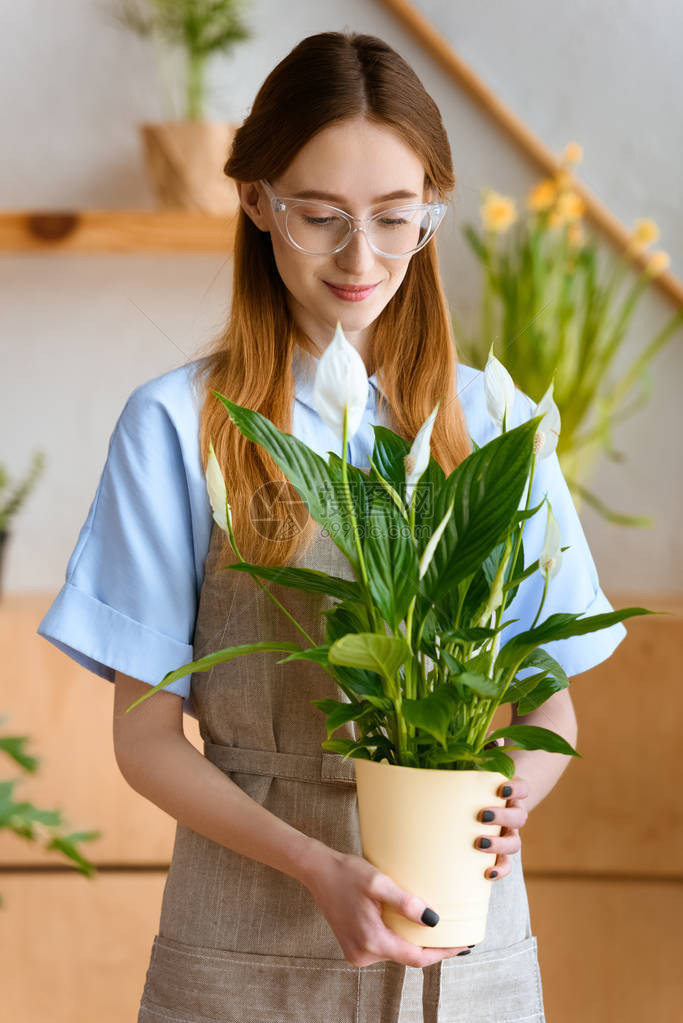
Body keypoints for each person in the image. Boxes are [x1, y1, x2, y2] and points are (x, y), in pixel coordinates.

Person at [37, 30, 626, 1023]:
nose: (361, 258)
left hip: (460, 940)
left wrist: (496, 805)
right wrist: (316, 866)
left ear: (431, 217)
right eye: (320, 216)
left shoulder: (492, 426)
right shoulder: (177, 425)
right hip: (244, 934)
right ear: (256, 201)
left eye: (395, 219)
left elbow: (546, 705)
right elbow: (144, 742)